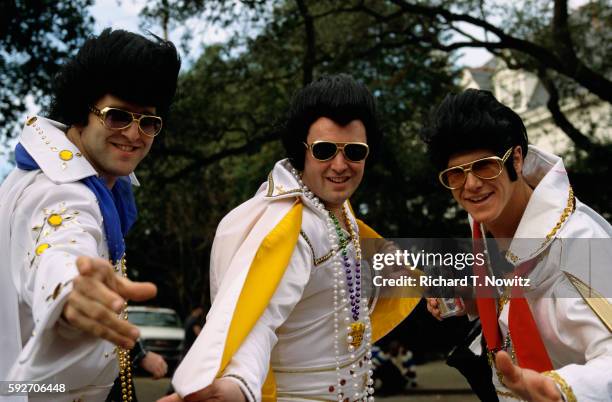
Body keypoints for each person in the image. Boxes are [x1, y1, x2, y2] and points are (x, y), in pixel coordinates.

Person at [161, 74, 421, 402]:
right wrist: (237, 384)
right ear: (302, 151)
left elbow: (341, 297)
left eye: (354, 151)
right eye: (325, 150)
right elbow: (258, 317)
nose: (340, 165)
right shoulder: (293, 229)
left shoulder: (338, 212)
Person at [0, 28, 180, 401]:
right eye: (117, 117)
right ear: (82, 110)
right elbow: (60, 248)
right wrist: (71, 292)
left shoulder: (91, 184)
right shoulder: (57, 190)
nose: (134, 134)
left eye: (148, 122)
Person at [421, 89, 612, 402]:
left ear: (518, 158)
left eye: (485, 166)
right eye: (456, 174)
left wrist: (560, 389)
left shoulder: (581, 245)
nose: (471, 185)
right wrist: (470, 299)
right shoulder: (489, 229)